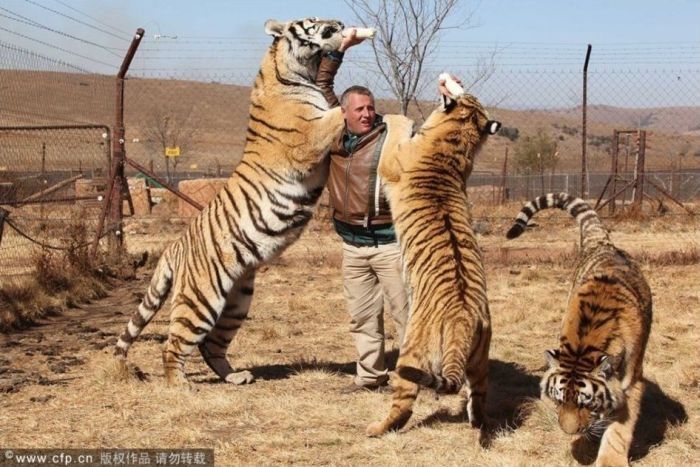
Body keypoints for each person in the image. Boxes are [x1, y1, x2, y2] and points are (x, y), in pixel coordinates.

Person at [316, 30, 409, 393]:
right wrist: (338, 51)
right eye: (360, 109)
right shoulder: (335, 137)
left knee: (407, 314)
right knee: (362, 315)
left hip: (390, 244)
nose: (368, 114)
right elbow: (323, 85)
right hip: (352, 245)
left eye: (371, 108)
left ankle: (417, 376)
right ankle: (370, 376)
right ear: (345, 113)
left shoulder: (390, 136)